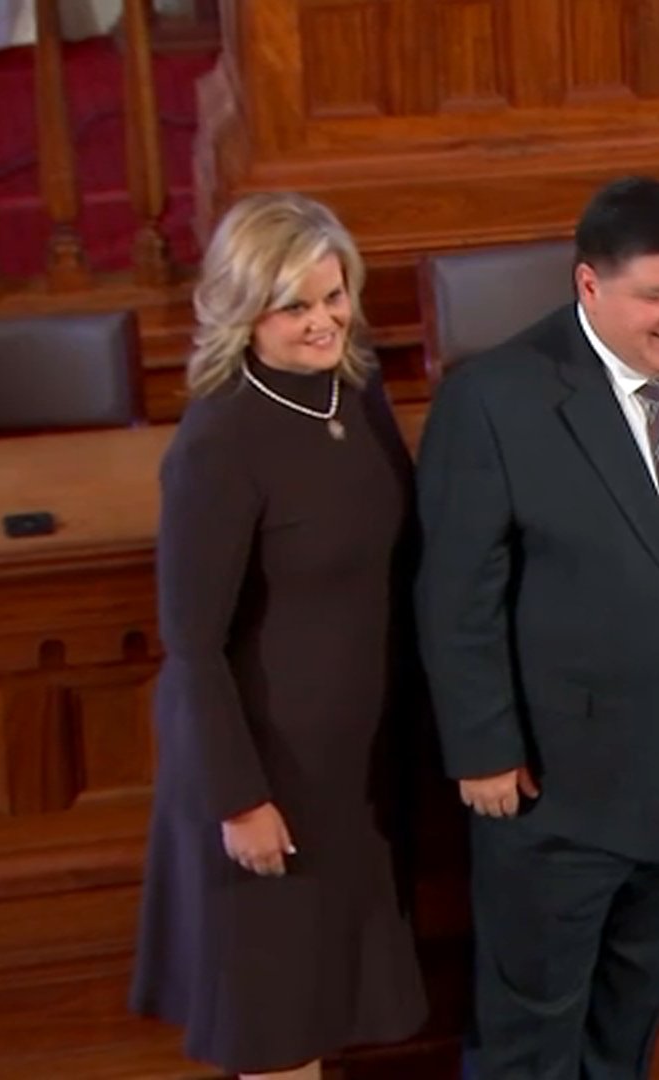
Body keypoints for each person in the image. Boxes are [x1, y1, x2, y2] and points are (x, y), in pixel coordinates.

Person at [415, 176, 659, 1079]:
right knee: (533, 1039)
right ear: (589, 287)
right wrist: (481, 748)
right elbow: (456, 597)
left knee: (628, 1024)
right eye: (657, 296)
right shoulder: (495, 401)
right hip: (557, 793)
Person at [130, 192, 428, 1080]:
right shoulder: (219, 441)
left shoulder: (357, 389)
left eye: (333, 296)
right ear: (241, 311)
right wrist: (239, 800)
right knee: (277, 1032)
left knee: (327, 1005)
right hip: (269, 782)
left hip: (353, 773)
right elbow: (192, 643)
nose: (323, 322)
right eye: (294, 305)